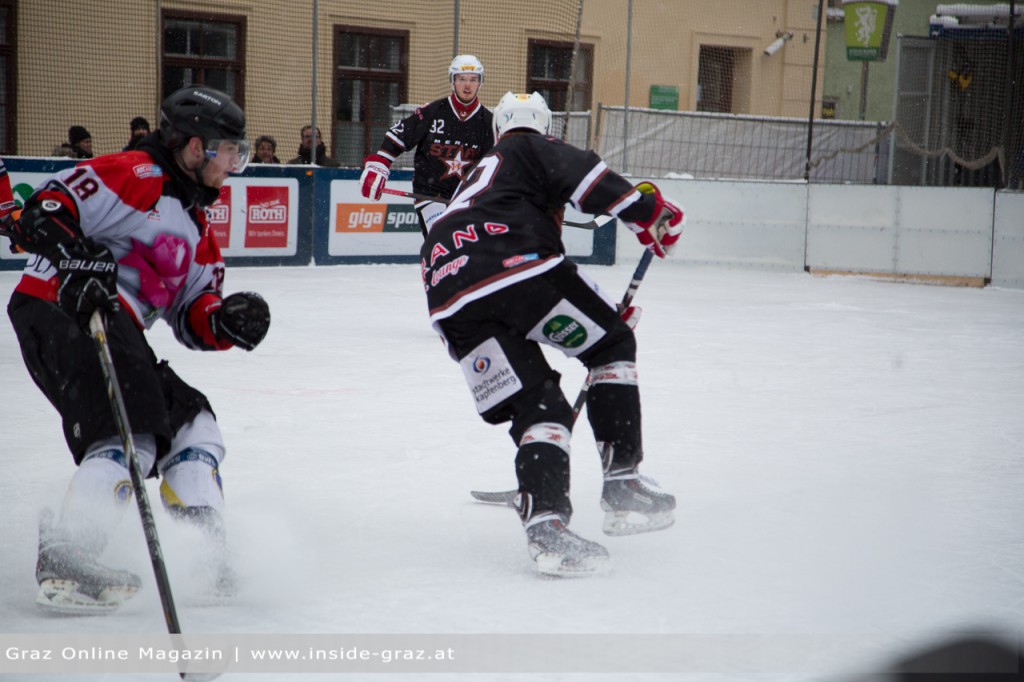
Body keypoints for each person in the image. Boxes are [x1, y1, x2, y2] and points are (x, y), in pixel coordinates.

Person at [2, 85, 271, 612]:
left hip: (118, 328)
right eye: (228, 150)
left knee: (194, 425)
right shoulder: (137, 173)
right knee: (135, 428)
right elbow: (45, 210)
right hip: (60, 309)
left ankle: (208, 556)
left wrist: (226, 323)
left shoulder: (198, 227)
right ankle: (69, 553)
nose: (234, 162)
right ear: (195, 147)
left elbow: (193, 315)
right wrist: (77, 261)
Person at [420, 92, 684, 577]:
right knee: (612, 344)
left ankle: (545, 523)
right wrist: (648, 213)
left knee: (539, 406)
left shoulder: (480, 178)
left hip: (447, 295)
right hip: (512, 264)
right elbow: (582, 172)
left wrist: (596, 307)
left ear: (498, 126)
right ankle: (622, 480)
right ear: (542, 126)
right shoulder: (527, 147)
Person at [360, 55, 494, 237]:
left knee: (467, 251)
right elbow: (399, 135)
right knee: (444, 240)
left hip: (467, 199)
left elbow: (496, 162)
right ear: (452, 81)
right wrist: (380, 164)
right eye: (461, 79)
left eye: (473, 79)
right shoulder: (433, 111)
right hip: (430, 195)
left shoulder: (488, 122)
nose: (467, 85)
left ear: (480, 82)